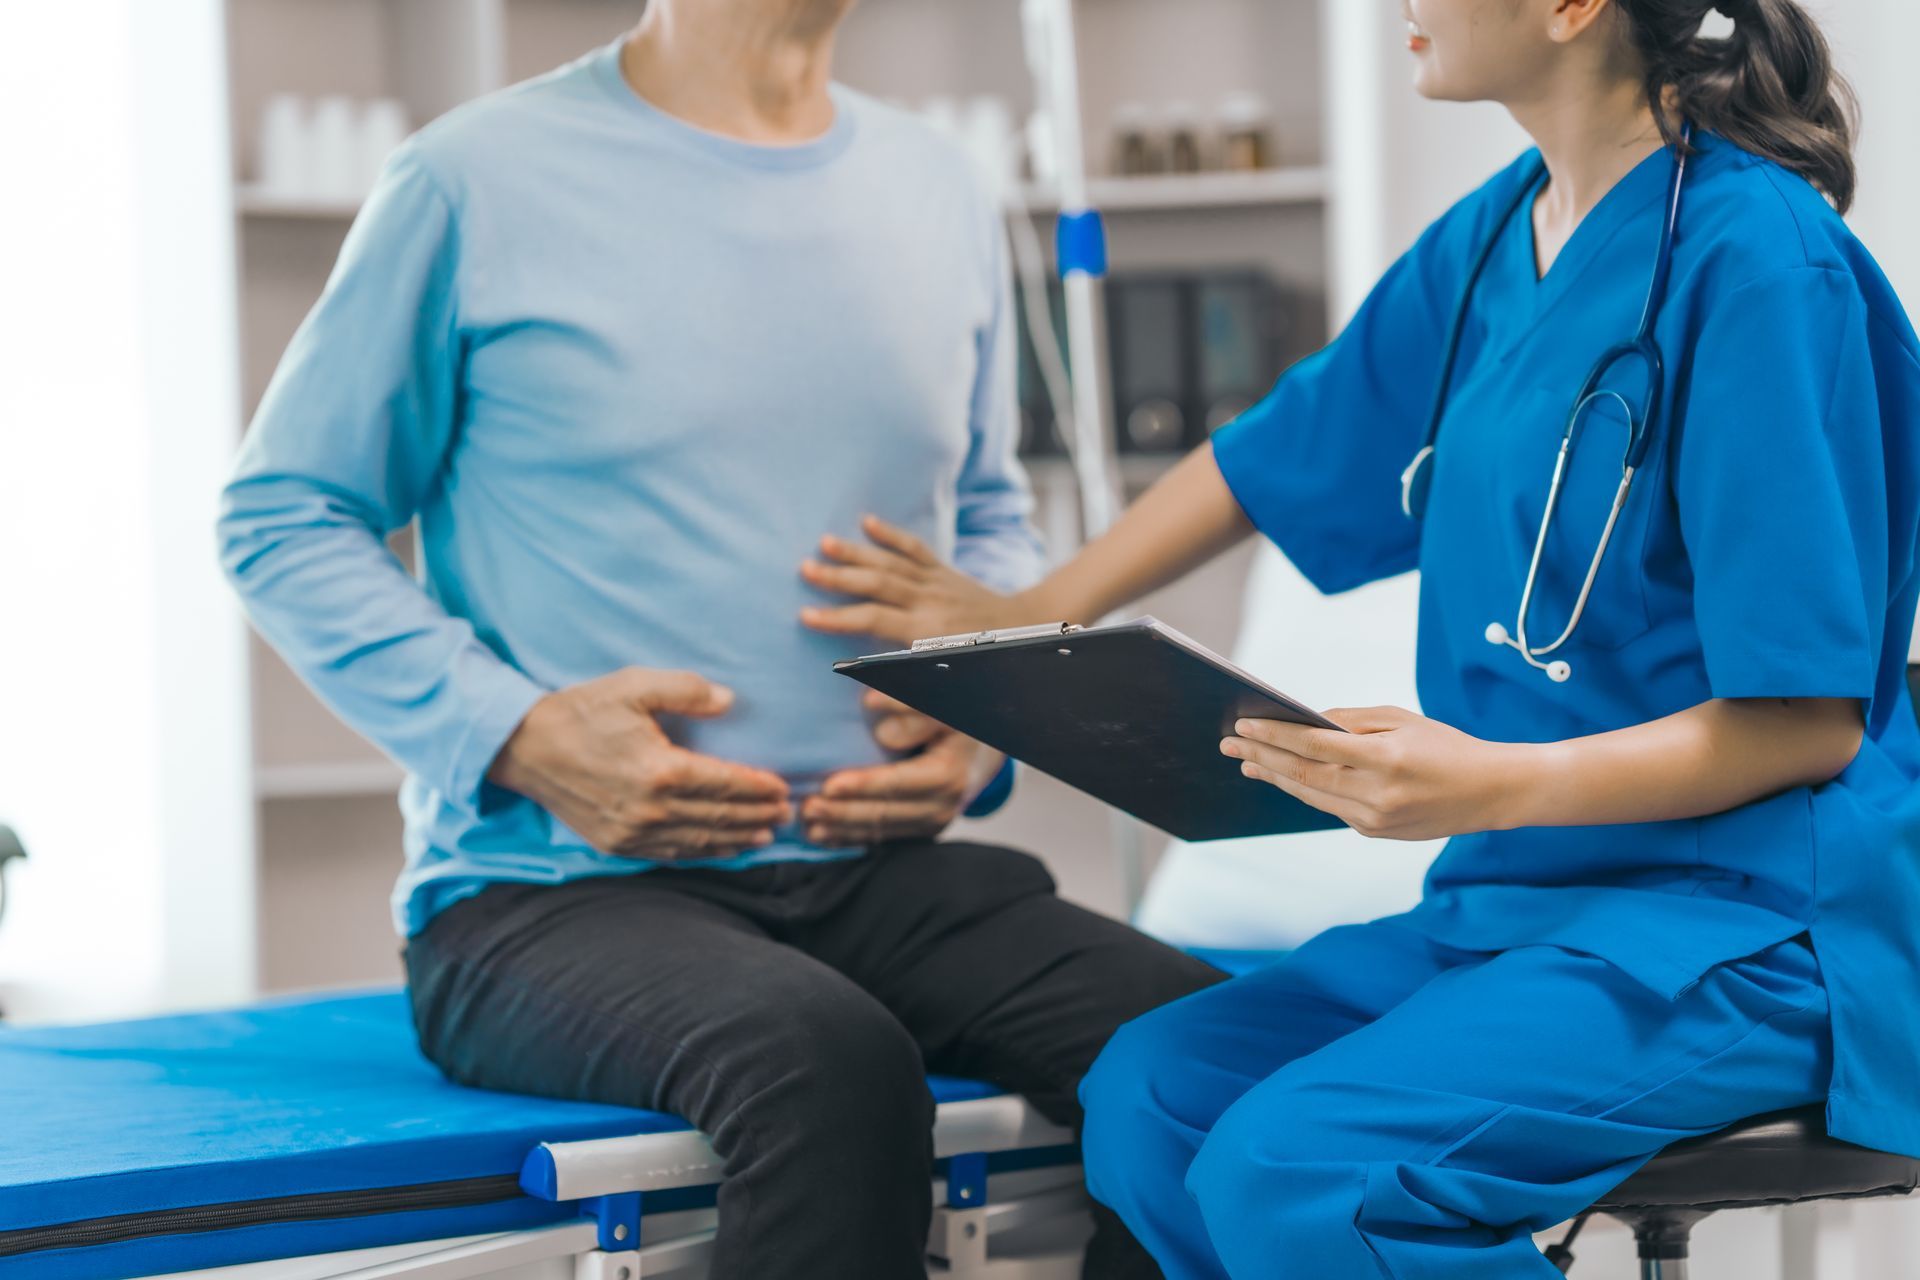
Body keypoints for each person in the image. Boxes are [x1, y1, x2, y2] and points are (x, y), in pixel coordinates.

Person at [796, 0, 1920, 1274]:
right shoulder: (1501, 234)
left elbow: (1810, 719)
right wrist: (1030, 616)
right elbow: (1278, 454)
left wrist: (1485, 778)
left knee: (1301, 1166)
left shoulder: (1765, 259)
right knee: (1154, 1095)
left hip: (1743, 923)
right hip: (1520, 900)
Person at [217, 1, 1221, 1275]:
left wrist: (987, 717)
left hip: (878, 871)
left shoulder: (940, 186)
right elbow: (283, 512)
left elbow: (981, 512)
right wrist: (517, 733)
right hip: (550, 897)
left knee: (1203, 1051)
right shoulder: (472, 180)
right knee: (831, 1065)